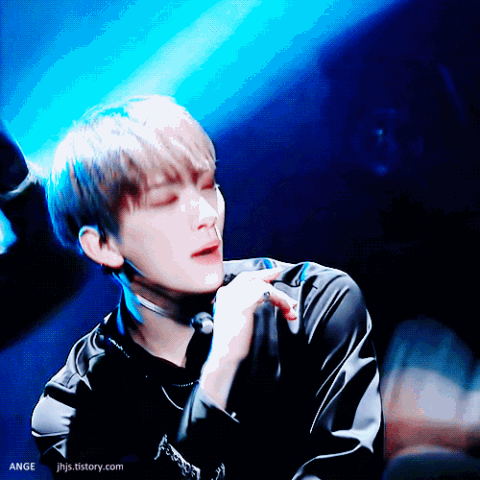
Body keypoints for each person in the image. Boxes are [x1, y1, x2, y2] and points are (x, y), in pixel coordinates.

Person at [31, 95, 384, 479]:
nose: (206, 214)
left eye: (207, 185)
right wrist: (219, 375)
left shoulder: (314, 301)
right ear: (103, 245)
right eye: (166, 201)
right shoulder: (71, 409)